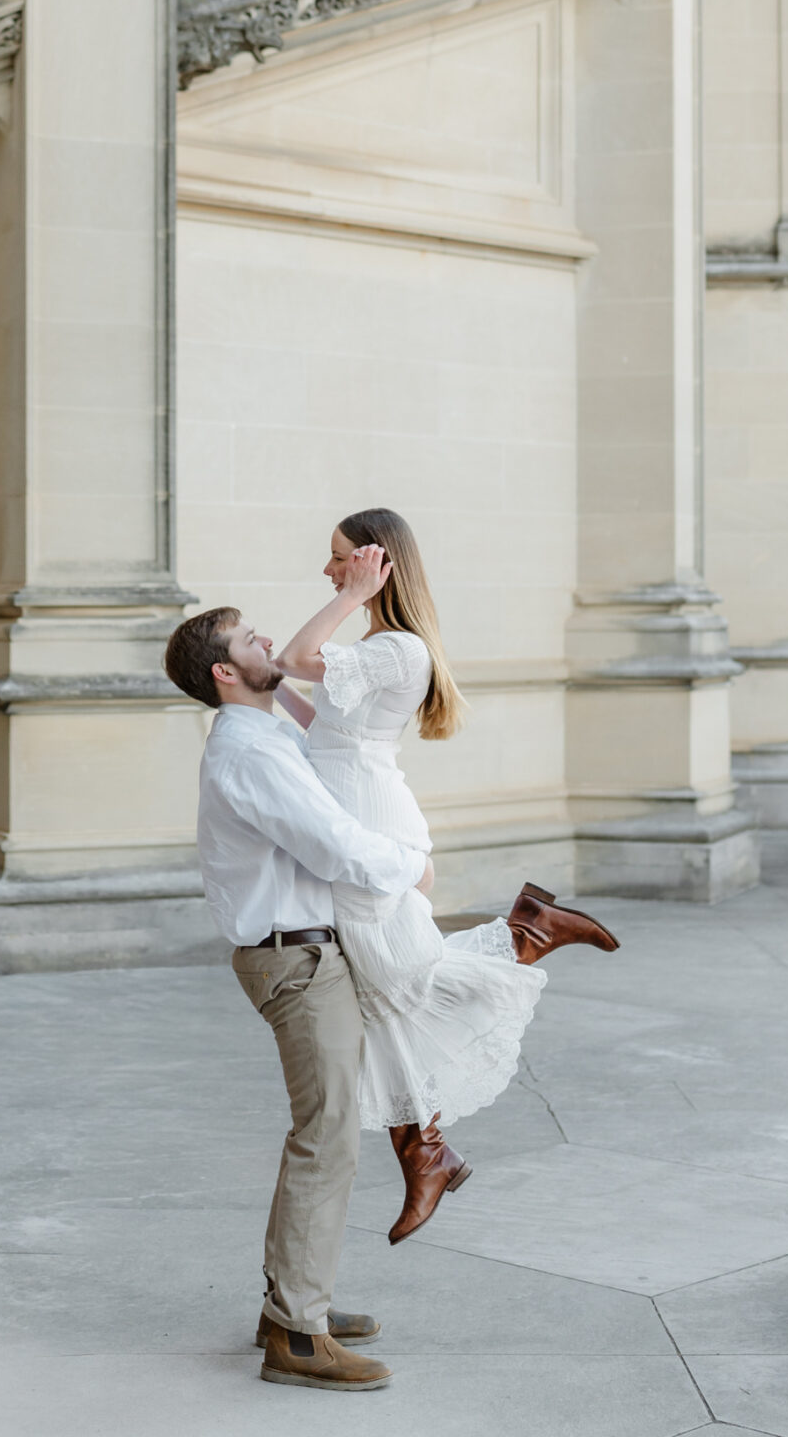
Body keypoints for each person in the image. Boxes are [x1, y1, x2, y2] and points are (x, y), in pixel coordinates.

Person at [272, 507, 620, 1243]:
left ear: (377, 563)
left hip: (370, 824)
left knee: (391, 984)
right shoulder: (377, 646)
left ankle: (429, 1145)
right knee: (389, 984)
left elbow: (305, 655)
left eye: (341, 558)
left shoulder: (396, 647)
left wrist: (348, 597)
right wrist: (265, 688)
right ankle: (428, 1146)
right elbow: (326, 729)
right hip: (355, 818)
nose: (329, 570)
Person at [164, 603, 431, 1393]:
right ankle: (297, 1337)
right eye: (250, 642)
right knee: (329, 1138)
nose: (267, 644)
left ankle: (291, 1304)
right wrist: (407, 868)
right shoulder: (248, 753)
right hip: (296, 962)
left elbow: (345, 761)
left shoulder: (268, 733)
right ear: (223, 672)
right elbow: (332, 841)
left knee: (326, 1132)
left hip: (306, 953)